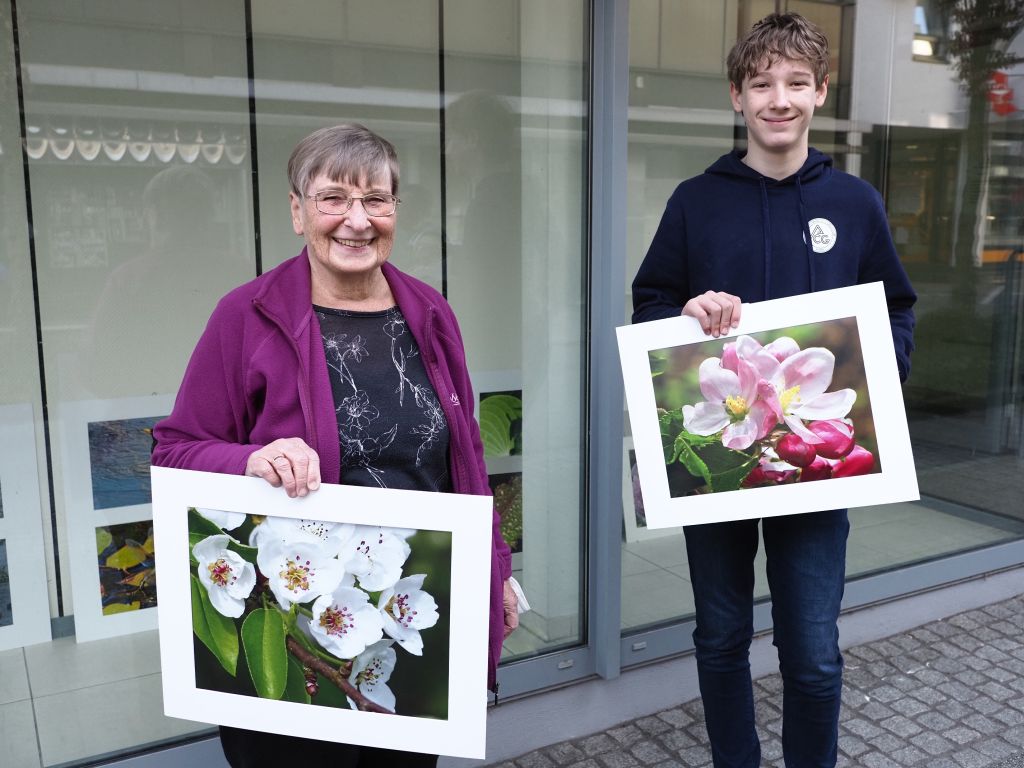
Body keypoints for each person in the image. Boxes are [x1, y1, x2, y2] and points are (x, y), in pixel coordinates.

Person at [152, 124, 519, 767]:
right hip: (295, 620)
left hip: (396, 618)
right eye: (333, 199)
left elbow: (463, 465)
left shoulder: (430, 313)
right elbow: (175, 448)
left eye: (376, 200)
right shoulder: (247, 316)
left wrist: (495, 573)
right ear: (298, 211)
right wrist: (249, 460)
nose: (357, 221)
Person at [632, 13, 915, 768]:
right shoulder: (696, 201)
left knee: (814, 653)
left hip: (812, 472)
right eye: (762, 84)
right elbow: (651, 305)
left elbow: (894, 308)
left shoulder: (855, 203)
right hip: (720, 469)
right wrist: (684, 315)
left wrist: (880, 385)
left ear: (819, 93)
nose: (778, 99)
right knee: (721, 639)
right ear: (737, 95)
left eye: (795, 83)